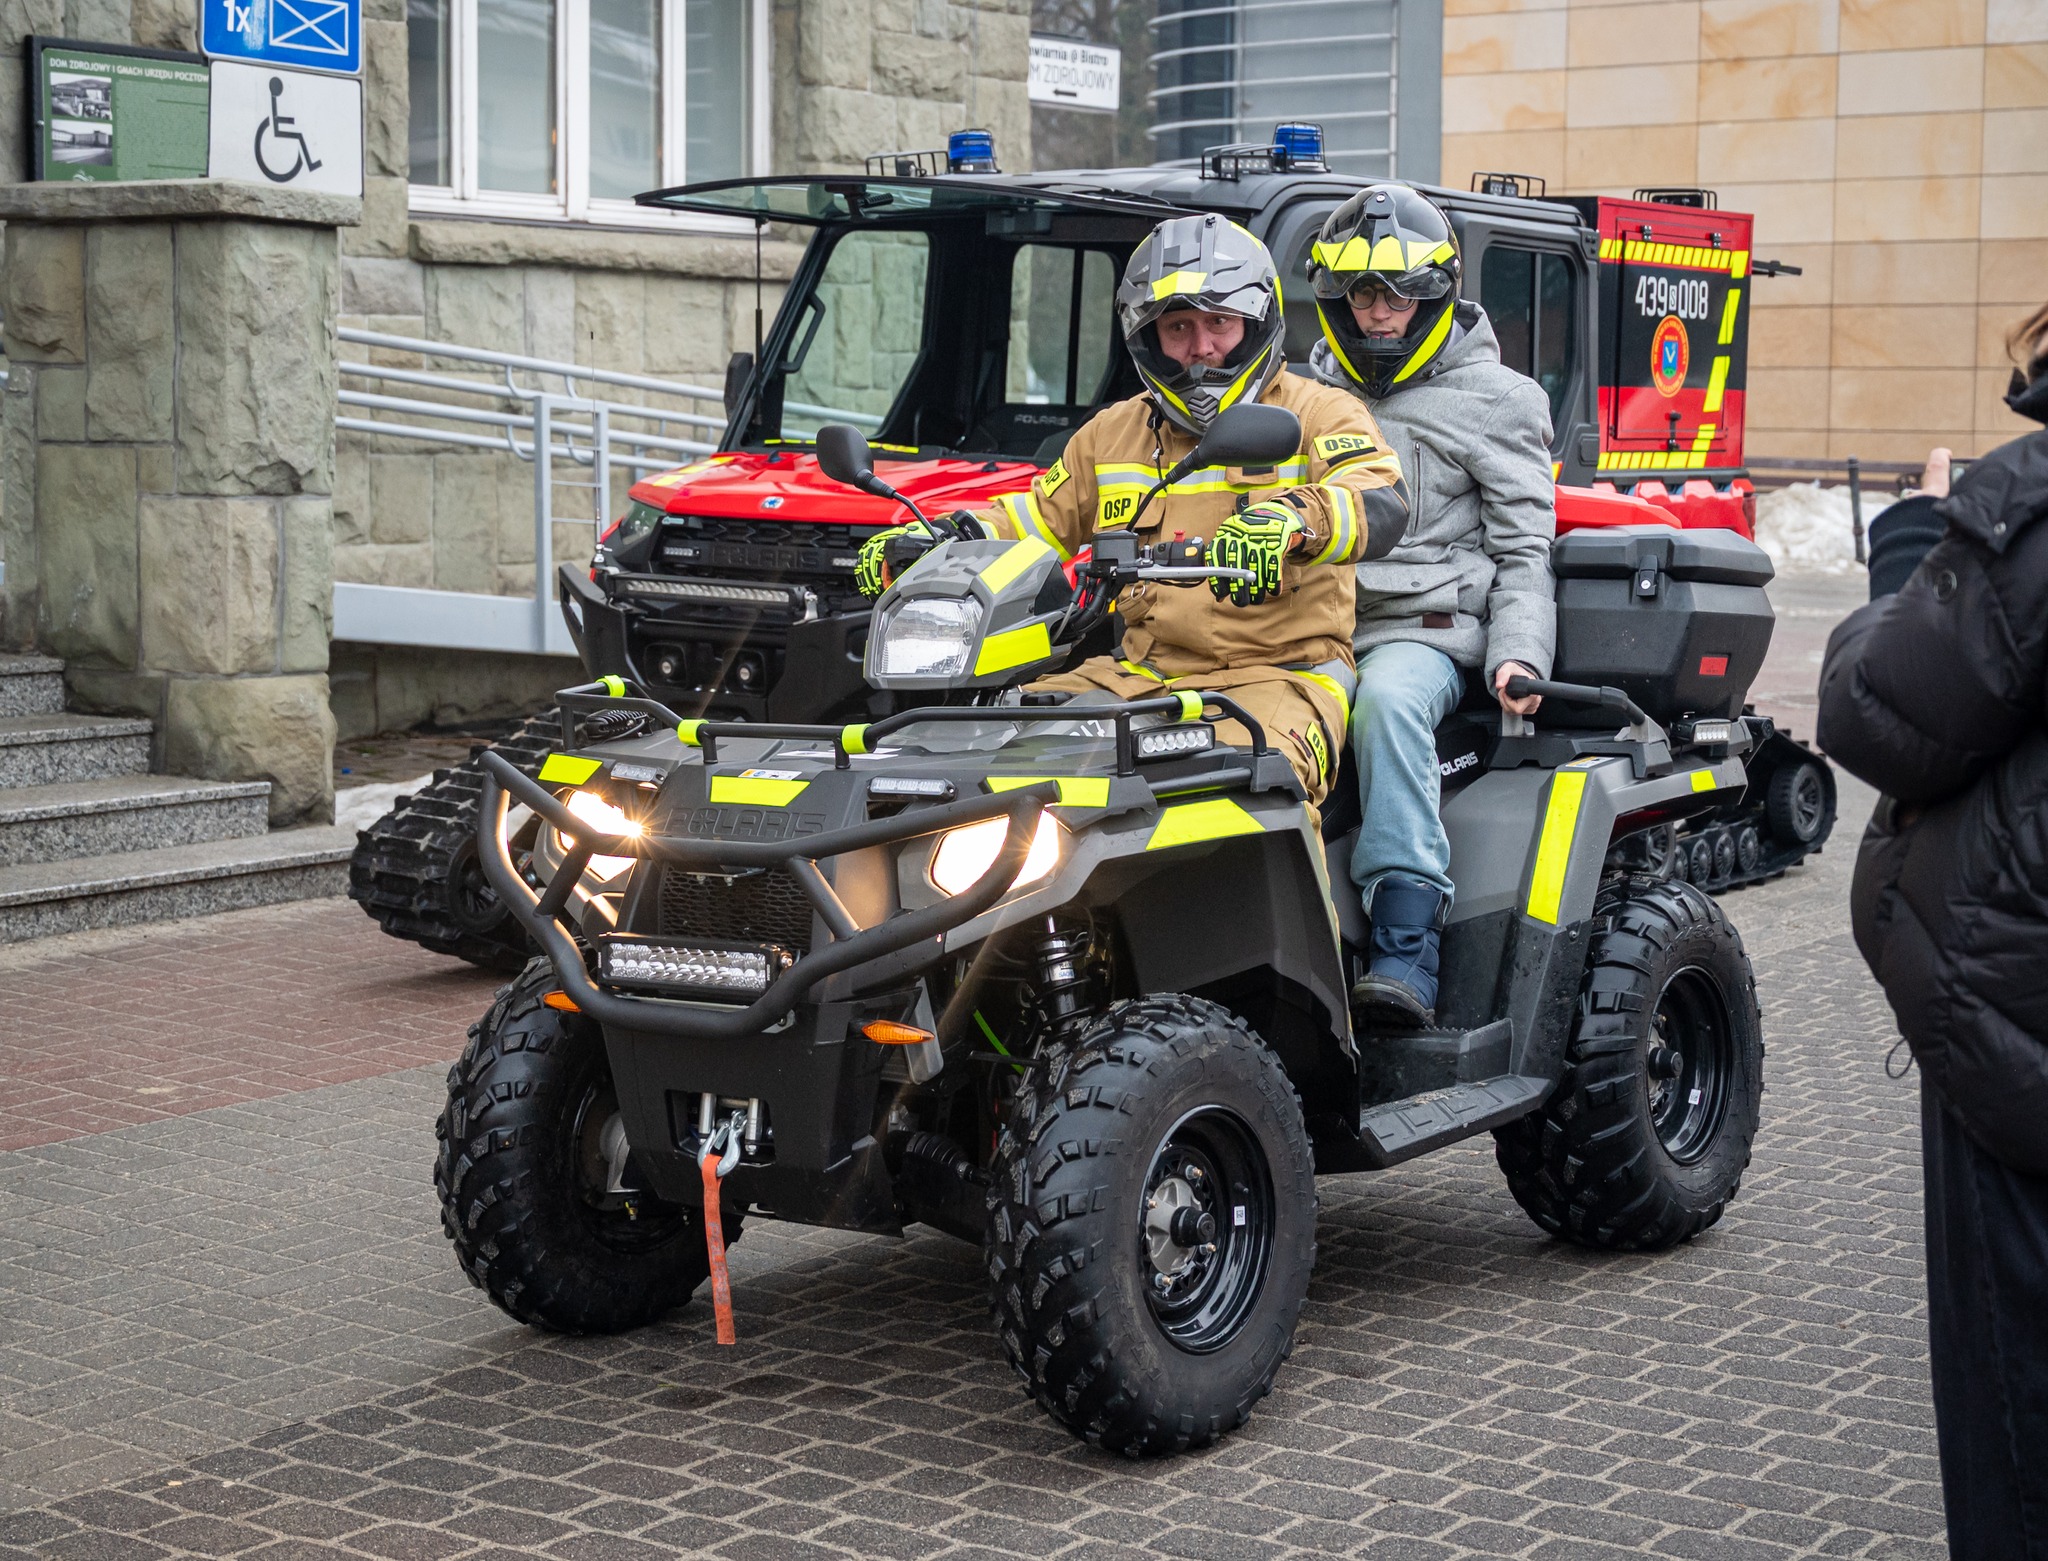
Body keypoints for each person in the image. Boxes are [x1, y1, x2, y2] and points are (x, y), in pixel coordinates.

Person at [856, 214, 1412, 806]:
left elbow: (1377, 497)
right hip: (1139, 677)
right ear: (1148, 338)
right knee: (982, 767)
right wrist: (939, 541)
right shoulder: (1113, 432)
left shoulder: (1320, 412)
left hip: (1280, 677)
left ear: (1257, 322)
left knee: (1246, 794)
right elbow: (1035, 518)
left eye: (1220, 322)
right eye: (1178, 327)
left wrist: (1293, 519)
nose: (1201, 348)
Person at [1815, 301, 2048, 1561]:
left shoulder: (2032, 506)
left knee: (2015, 1416)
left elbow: (1877, 712)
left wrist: (1915, 544)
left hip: (2015, 1025)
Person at [1305, 185, 1557, 1023]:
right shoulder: (1305, 393)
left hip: (1426, 635)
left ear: (1435, 294)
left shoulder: (1500, 399)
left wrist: (1519, 654)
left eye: (1400, 294)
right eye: (1362, 294)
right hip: (1317, 626)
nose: (1380, 313)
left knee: (1383, 704)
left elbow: (1525, 550)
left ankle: (1407, 940)